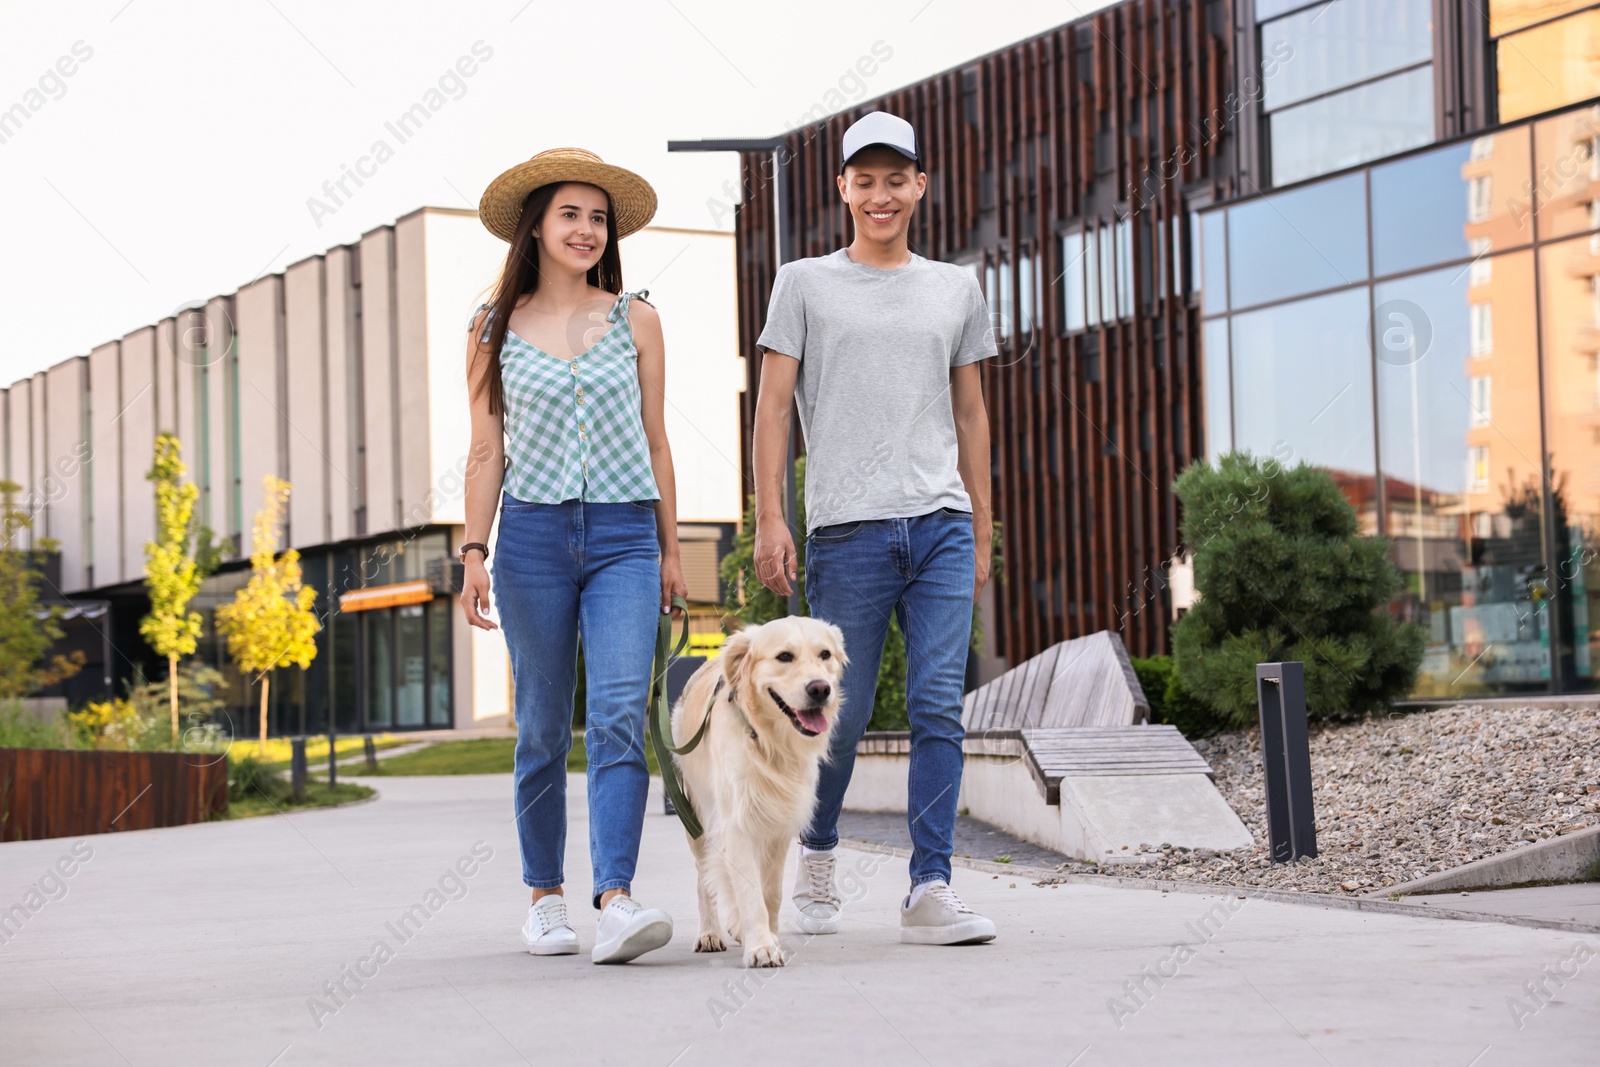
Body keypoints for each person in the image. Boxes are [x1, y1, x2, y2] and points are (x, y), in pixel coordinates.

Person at [752, 112, 999, 945]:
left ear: (920, 185)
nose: (881, 194)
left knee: (937, 706)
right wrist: (771, 516)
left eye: (897, 178)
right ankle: (816, 850)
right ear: (843, 189)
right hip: (846, 531)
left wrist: (984, 525)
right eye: (866, 179)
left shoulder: (956, 287)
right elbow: (775, 407)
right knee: (837, 715)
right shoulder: (804, 283)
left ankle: (930, 884)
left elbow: (971, 412)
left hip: (940, 525)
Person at [460, 148, 687, 964]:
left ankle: (617, 898)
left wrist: (670, 548)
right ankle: (545, 899)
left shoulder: (638, 317)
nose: (588, 229)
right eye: (571, 214)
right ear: (537, 226)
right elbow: (486, 451)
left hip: (627, 534)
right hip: (531, 540)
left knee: (623, 711)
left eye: (599, 217)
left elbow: (657, 442)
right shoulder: (491, 327)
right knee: (543, 729)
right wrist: (472, 550)